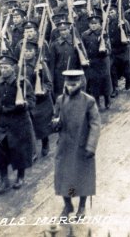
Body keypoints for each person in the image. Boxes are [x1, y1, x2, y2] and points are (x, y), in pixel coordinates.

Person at [51, 70, 101, 218]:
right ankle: (68, 205)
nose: (70, 87)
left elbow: (95, 124)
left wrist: (91, 146)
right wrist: (55, 123)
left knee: (81, 177)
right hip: (65, 146)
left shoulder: (88, 101)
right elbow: (55, 121)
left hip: (82, 146)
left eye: (74, 84)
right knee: (64, 177)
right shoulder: (60, 99)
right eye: (68, 84)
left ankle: (82, 206)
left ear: (80, 83)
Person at [0, 56, 35, 194]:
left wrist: (24, 104)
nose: (3, 70)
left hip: (19, 124)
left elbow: (32, 101)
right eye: (1, 67)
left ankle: (20, 177)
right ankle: (4, 180)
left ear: (13, 68)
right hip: (2, 124)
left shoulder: (22, 83)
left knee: (20, 152)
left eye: (6, 67)